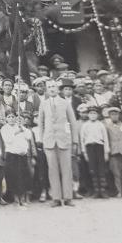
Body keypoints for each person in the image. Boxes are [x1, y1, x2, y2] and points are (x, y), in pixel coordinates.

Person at [37, 78, 79, 207]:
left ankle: (67, 197)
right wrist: (41, 139)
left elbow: (72, 122)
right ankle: (56, 197)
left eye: (54, 86)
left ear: (57, 88)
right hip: (49, 141)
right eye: (49, 87)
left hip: (64, 140)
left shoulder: (65, 103)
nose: (52, 89)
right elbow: (41, 123)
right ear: (46, 89)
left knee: (67, 169)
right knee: (52, 170)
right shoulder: (43, 104)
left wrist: (74, 140)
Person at [0, 112, 32, 205]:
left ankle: (22, 197)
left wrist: (22, 128)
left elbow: (29, 136)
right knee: (13, 177)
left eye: (13, 117)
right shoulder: (4, 128)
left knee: (22, 176)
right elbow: (8, 140)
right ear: (6, 118)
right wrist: (16, 132)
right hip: (11, 155)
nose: (11, 119)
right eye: (9, 117)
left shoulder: (20, 126)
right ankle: (15, 198)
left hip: (22, 155)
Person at [80, 105, 109, 198]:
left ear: (97, 115)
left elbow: (105, 139)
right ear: (88, 115)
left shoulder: (101, 125)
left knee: (101, 169)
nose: (92, 115)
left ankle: (102, 191)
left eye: (94, 113)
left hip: (99, 148)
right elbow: (82, 140)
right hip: (90, 148)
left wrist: (106, 152)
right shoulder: (85, 126)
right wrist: (84, 152)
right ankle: (96, 191)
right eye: (91, 113)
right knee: (93, 169)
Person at [106, 106, 122, 197]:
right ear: (109, 116)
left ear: (119, 115)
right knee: (116, 172)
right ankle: (119, 190)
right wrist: (108, 151)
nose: (114, 116)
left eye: (116, 114)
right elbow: (107, 139)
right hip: (114, 151)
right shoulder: (107, 127)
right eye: (112, 114)